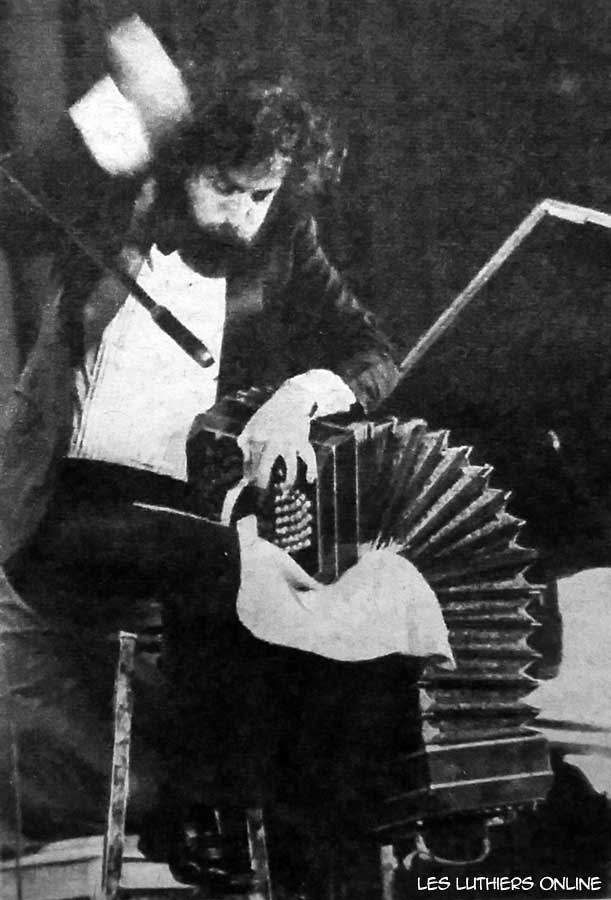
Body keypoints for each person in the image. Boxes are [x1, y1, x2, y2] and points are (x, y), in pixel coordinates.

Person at [0, 14, 403, 896]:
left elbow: (371, 350)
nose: (242, 214)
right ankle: (208, 809)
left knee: (313, 592)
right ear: (187, 167)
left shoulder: (279, 240)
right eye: (226, 189)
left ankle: (302, 836)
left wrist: (303, 394)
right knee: (229, 566)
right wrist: (123, 109)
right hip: (66, 512)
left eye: (262, 195)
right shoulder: (116, 205)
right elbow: (11, 202)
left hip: (188, 510)